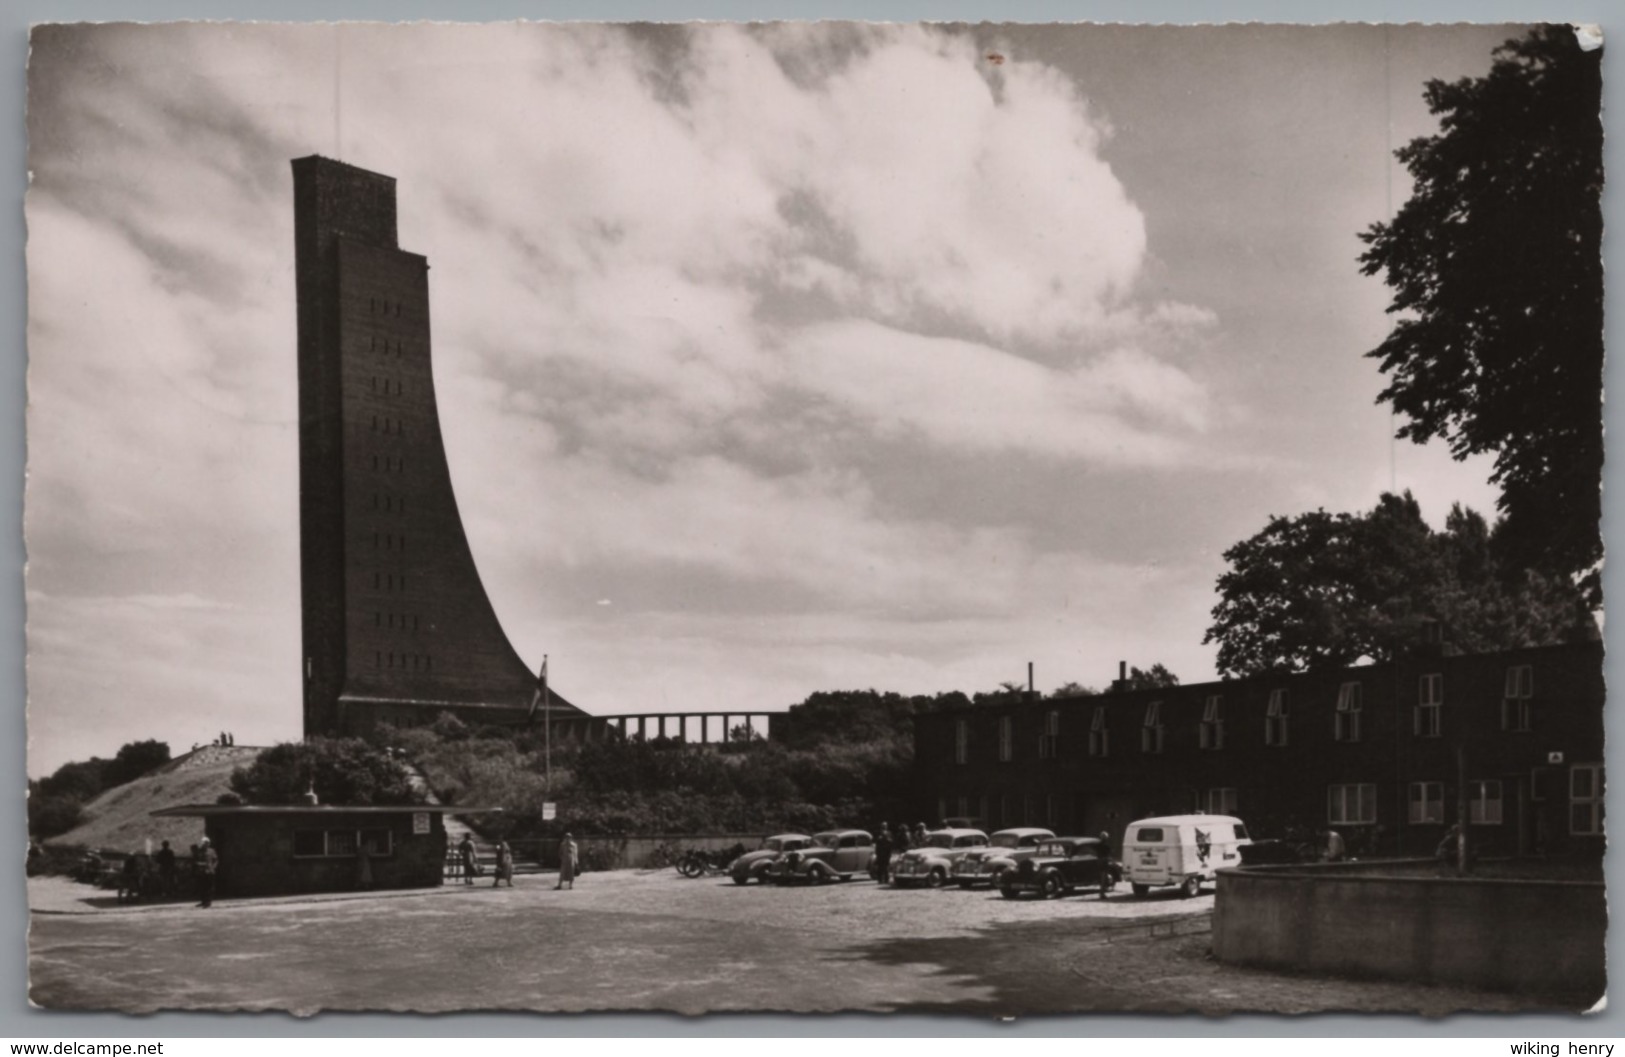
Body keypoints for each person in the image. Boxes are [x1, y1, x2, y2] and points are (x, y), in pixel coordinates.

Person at [195, 837, 219, 908]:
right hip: (201, 871)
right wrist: (199, 864)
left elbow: (216, 860)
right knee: (202, 887)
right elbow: (195, 860)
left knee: (209, 887)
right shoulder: (199, 851)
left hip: (209, 871)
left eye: (207, 843)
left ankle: (208, 902)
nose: (206, 844)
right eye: (205, 843)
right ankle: (203, 901)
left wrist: (213, 867)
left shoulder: (212, 851)